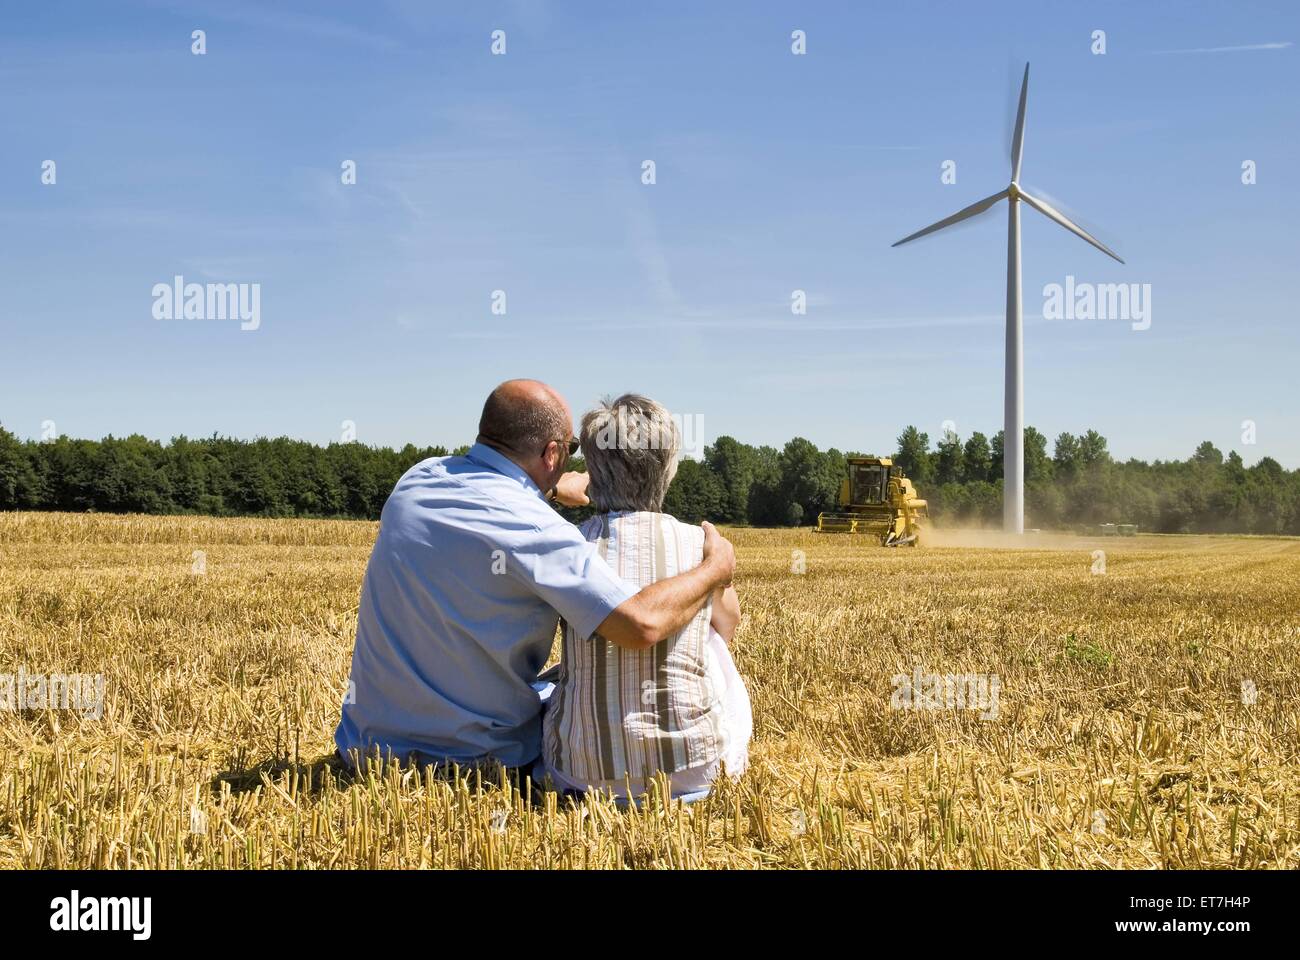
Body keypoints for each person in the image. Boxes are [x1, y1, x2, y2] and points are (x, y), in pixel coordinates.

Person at [334, 379, 736, 773]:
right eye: (569, 450)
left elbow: (492, 496)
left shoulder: (416, 480)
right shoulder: (539, 530)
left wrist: (549, 487)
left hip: (367, 746)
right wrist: (712, 570)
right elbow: (641, 624)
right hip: (470, 757)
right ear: (551, 454)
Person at [542, 394, 752, 800]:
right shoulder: (700, 544)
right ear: (668, 467)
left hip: (584, 778)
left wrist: (550, 494)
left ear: (591, 470)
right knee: (710, 637)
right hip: (695, 776)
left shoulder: (568, 545)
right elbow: (730, 625)